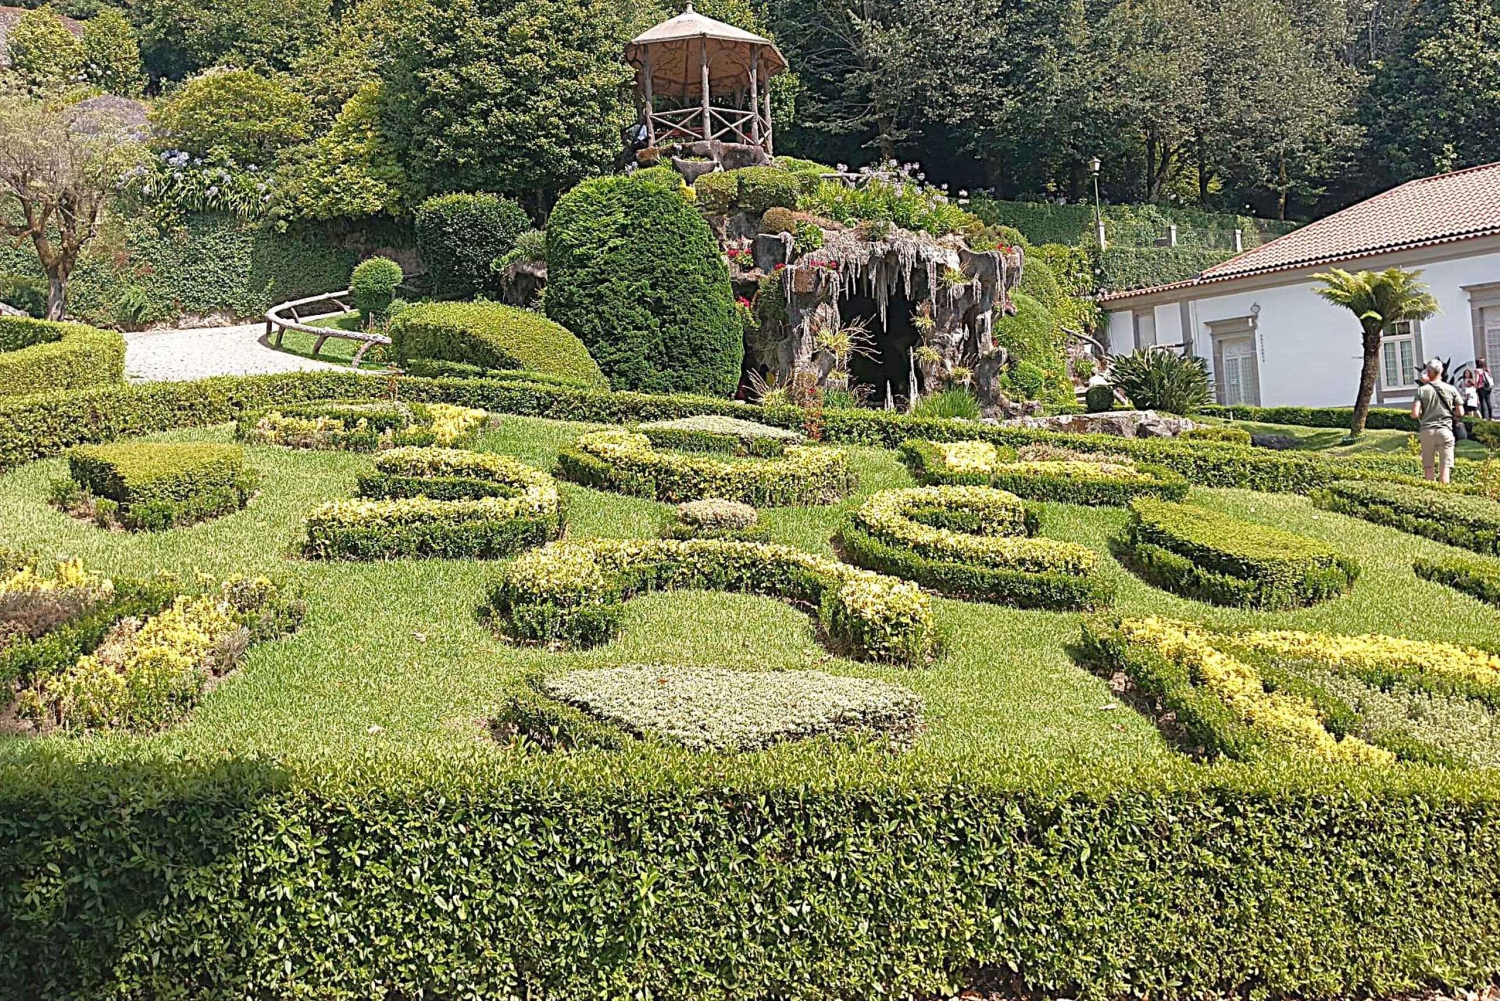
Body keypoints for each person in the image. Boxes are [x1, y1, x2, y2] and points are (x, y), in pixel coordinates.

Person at [1411, 358, 1464, 484]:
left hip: (1427, 431)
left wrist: (1423, 413)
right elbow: (1460, 412)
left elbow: (1414, 414)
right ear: (1442, 371)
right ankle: (1444, 495)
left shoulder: (1422, 391)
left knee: (1428, 467)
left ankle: (1431, 496)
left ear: (1428, 372)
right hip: (1445, 430)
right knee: (1445, 468)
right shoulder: (1451, 389)